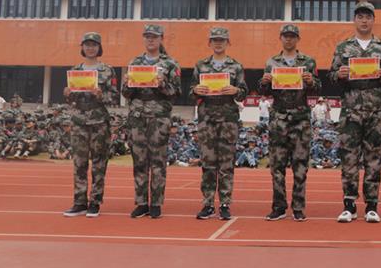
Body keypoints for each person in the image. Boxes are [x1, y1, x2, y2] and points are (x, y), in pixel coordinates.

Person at [328, 1, 381, 223]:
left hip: (375, 112)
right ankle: (349, 205)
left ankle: (371, 206)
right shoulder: (343, 47)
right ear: (354, 20)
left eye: (368, 17)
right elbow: (330, 76)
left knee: (374, 159)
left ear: (373, 20)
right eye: (360, 17)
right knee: (349, 158)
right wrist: (339, 74)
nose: (364, 20)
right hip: (351, 111)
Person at [258, 23, 321, 222]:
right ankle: (279, 206)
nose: (289, 39)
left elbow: (318, 88)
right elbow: (263, 91)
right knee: (277, 166)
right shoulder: (272, 62)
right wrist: (264, 82)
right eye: (285, 36)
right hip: (278, 118)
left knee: (300, 166)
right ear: (281, 38)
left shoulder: (308, 62)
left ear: (297, 39)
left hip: (300, 118)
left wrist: (311, 81)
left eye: (292, 36)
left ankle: (298, 207)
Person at [121, 24, 181, 219]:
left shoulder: (170, 64)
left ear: (161, 38)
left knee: (158, 162)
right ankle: (141, 203)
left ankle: (156, 203)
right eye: (147, 36)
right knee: (139, 161)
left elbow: (176, 93)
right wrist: (127, 83)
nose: (151, 40)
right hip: (137, 118)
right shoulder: (135, 62)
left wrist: (163, 83)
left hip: (159, 118)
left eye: (154, 36)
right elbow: (126, 93)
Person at [189, 27, 248, 221]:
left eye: (222, 40)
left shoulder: (236, 66)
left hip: (228, 120)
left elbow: (244, 92)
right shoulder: (201, 65)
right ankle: (207, 204)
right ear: (210, 42)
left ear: (228, 42)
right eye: (215, 39)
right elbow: (191, 91)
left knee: (226, 164)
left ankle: (224, 204)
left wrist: (236, 91)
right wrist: (196, 90)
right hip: (207, 120)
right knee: (208, 163)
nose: (218, 43)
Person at [62, 32, 120, 218]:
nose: (90, 48)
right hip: (79, 121)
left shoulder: (108, 70)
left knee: (98, 163)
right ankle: (79, 202)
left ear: (99, 47)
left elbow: (115, 97)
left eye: (94, 45)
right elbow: (71, 99)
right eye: (87, 44)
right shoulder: (75, 70)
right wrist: (67, 93)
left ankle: (95, 201)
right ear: (82, 47)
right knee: (79, 163)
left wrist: (102, 95)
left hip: (99, 122)